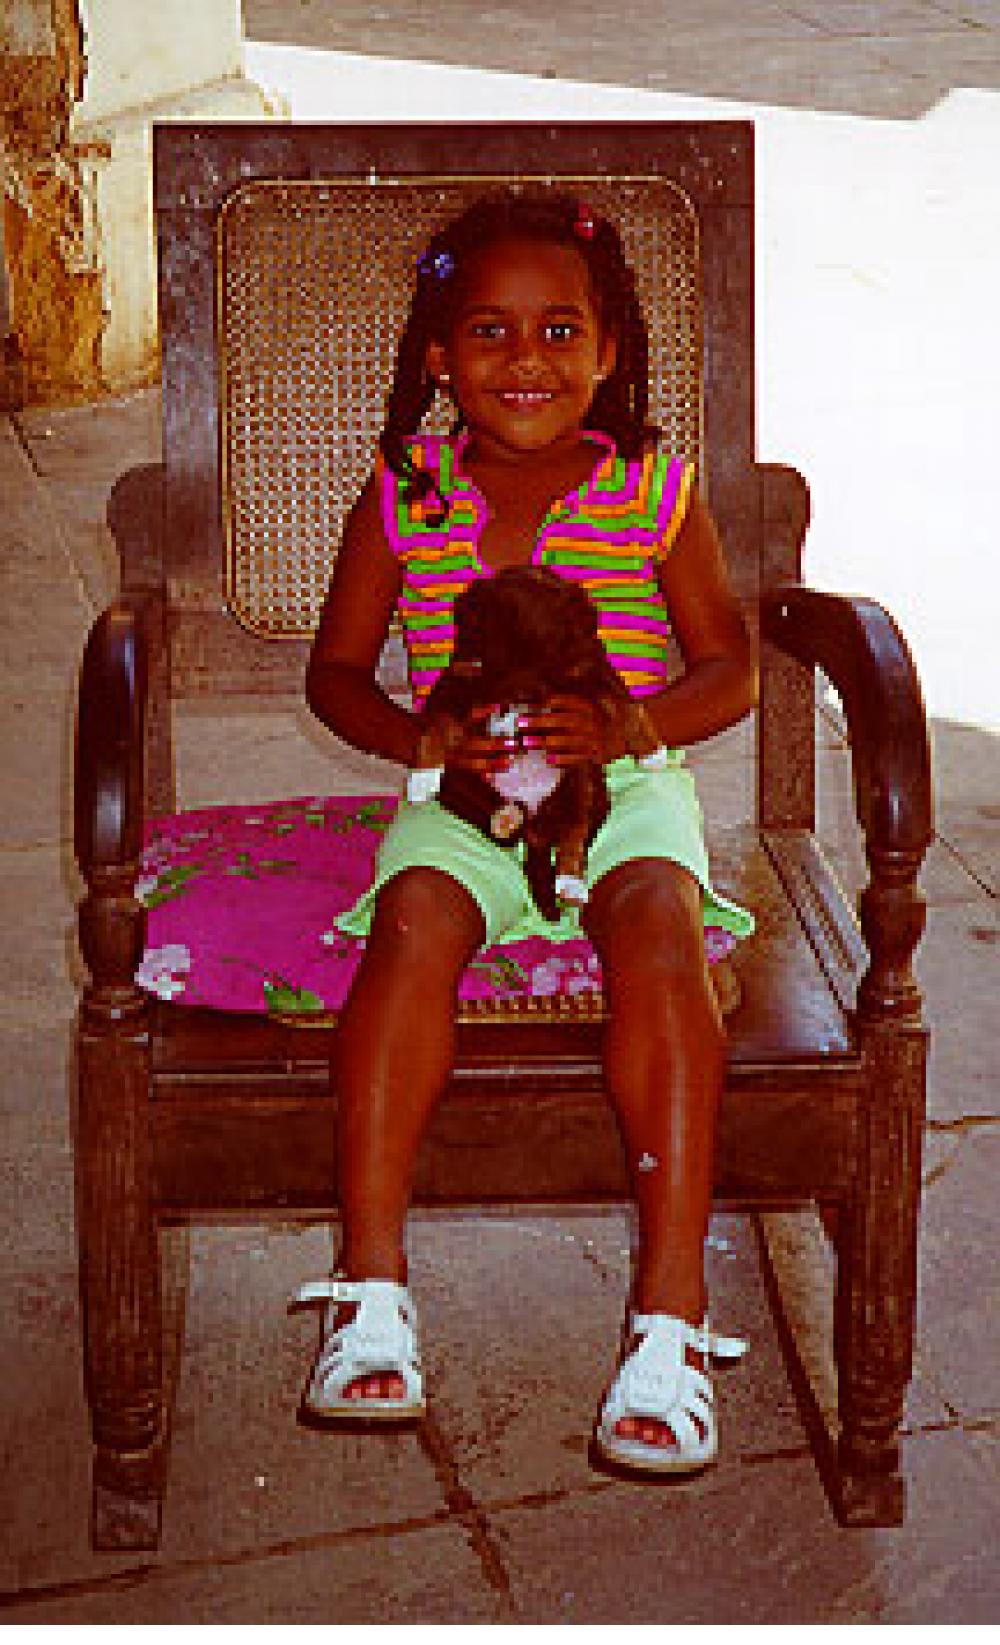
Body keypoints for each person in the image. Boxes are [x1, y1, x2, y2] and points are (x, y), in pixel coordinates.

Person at [299, 189, 757, 1475]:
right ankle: (371, 1288)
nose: (525, 362)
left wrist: (627, 731)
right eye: (488, 332)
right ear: (437, 355)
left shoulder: (651, 490)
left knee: (662, 937)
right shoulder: (408, 492)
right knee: (408, 928)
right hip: (464, 797)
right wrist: (416, 741)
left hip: (627, 786)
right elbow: (337, 673)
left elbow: (731, 669)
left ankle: (670, 1315)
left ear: (609, 351)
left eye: (561, 332)